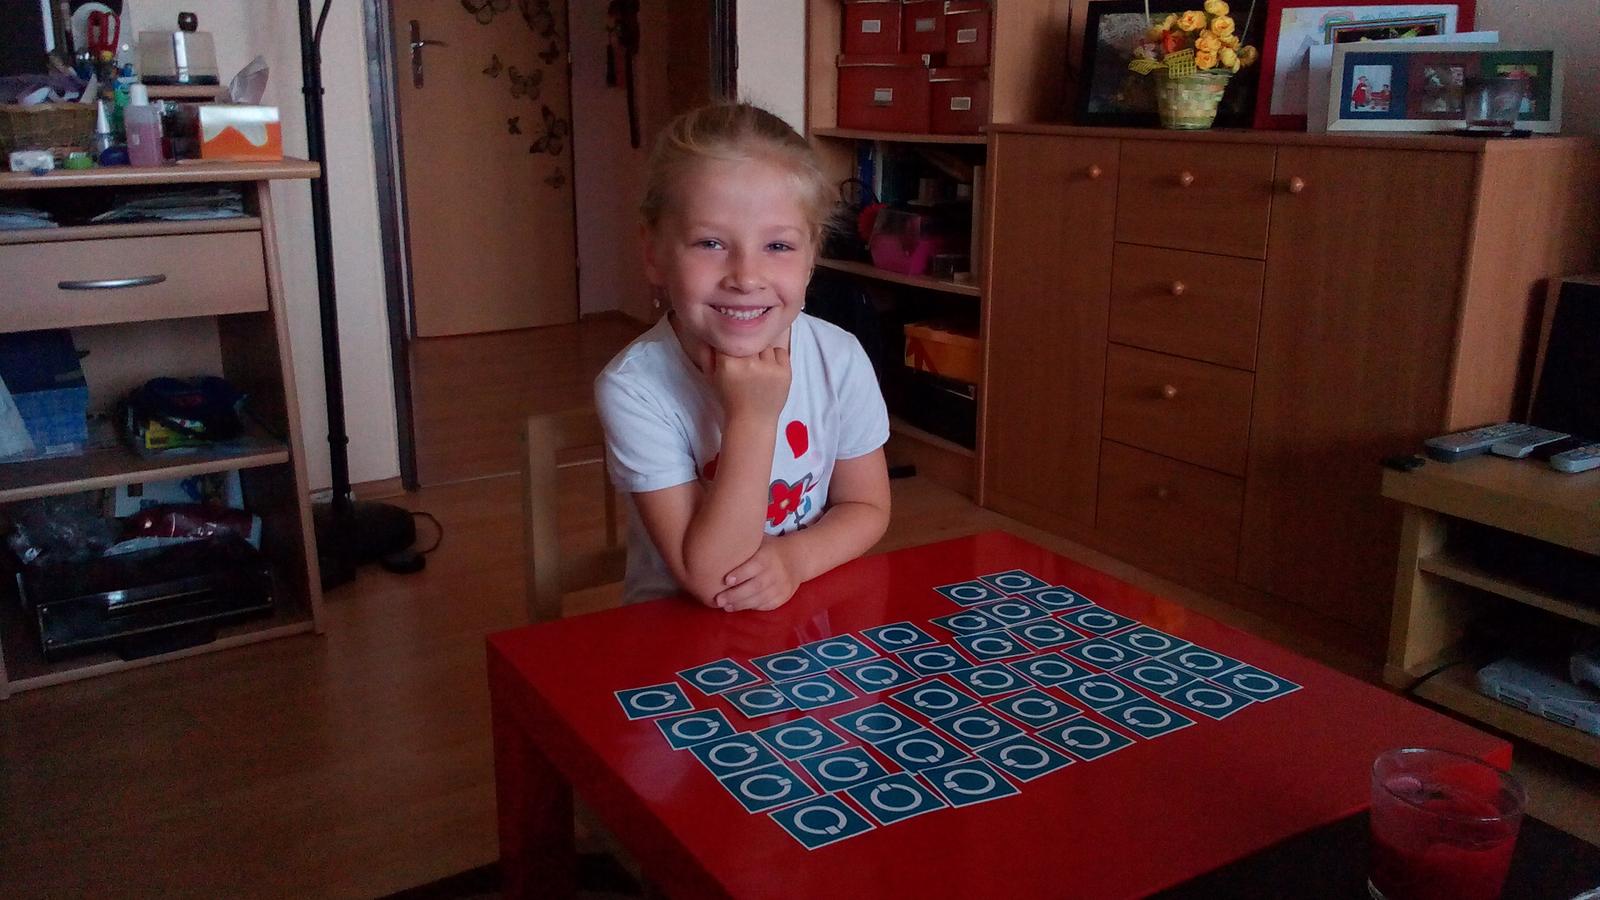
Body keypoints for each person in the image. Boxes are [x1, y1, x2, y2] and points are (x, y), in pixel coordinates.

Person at [594, 103, 891, 612]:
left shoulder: (838, 358)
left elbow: (866, 506)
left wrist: (795, 559)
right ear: (654, 253)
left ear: (812, 256)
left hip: (804, 615)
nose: (746, 276)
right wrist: (752, 417)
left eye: (778, 246)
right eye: (710, 243)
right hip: (679, 632)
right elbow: (714, 580)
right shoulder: (633, 387)